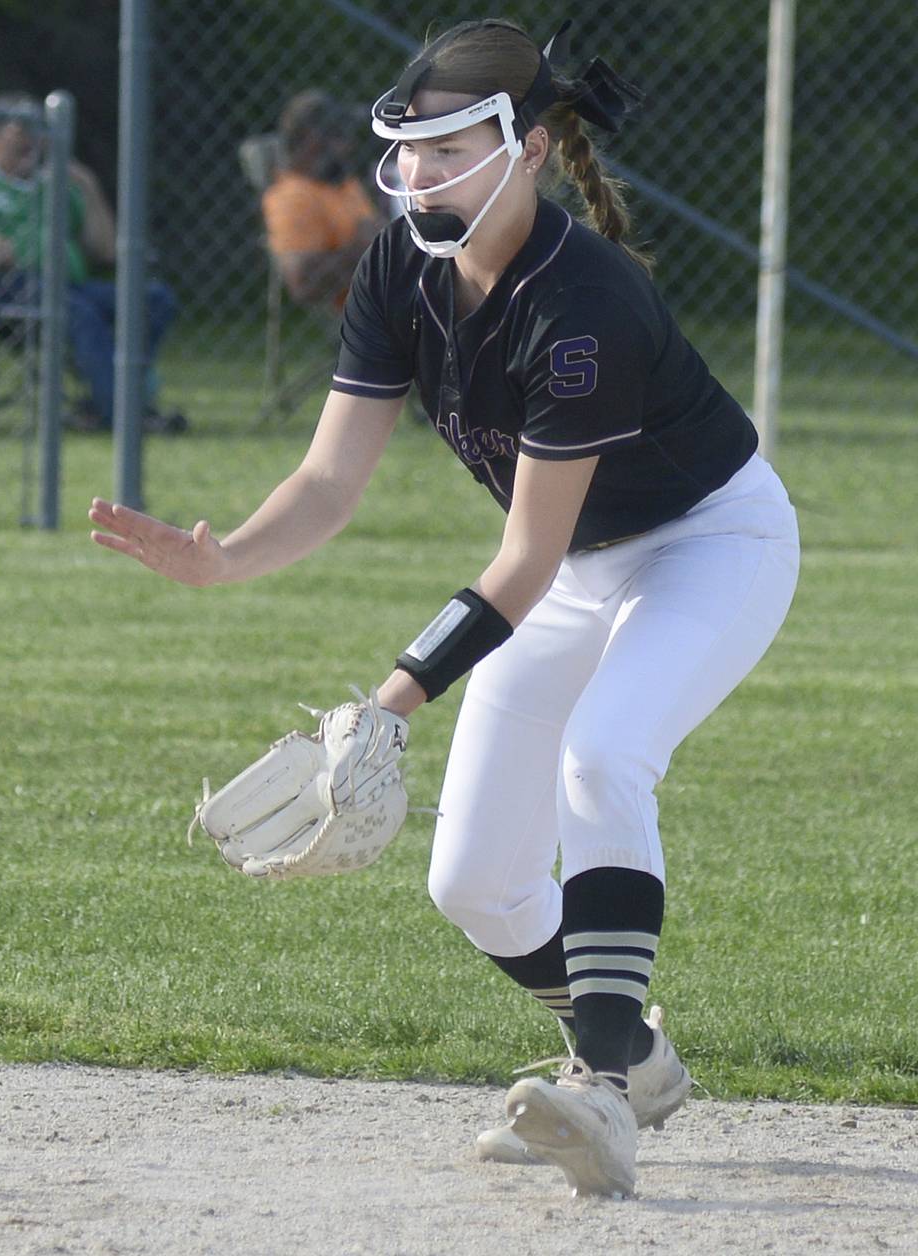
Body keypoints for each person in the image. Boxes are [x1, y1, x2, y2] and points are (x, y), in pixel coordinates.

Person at [90, 17, 799, 1200]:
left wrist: (391, 697)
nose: (418, 174)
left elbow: (524, 554)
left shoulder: (585, 304)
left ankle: (604, 1098)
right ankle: (635, 1050)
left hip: (707, 545)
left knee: (605, 754)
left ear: (523, 150)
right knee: (472, 879)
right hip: (579, 567)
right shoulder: (396, 268)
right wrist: (226, 561)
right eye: (407, 150)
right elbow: (327, 481)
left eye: (450, 147)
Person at [0, 93, 186, 433]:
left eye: (39, 130)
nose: (33, 140)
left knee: (153, 300)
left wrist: (88, 186)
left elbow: (107, 250)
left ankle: (105, 402)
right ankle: (127, 416)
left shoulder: (55, 185)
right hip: (0, 288)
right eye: (22, 129)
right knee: (78, 312)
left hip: (69, 285)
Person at [262, 90, 388, 310]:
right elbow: (302, 284)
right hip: (372, 317)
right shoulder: (291, 197)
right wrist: (363, 251)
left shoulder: (343, 183)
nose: (349, 146)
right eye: (339, 136)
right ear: (311, 140)